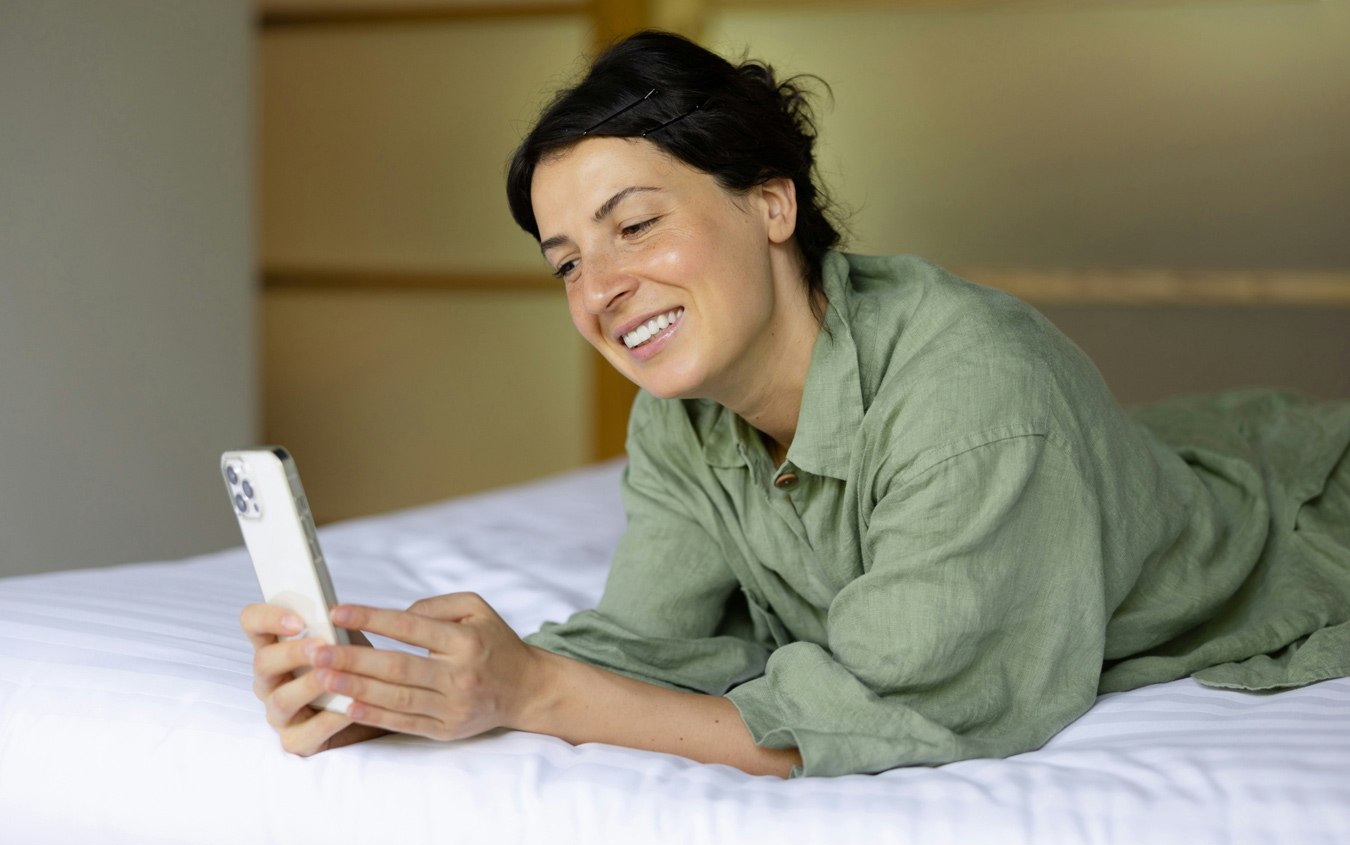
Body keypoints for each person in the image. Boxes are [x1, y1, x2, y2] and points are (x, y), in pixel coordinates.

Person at [240, 31, 1350, 779]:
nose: (603, 291)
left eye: (636, 226)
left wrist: (537, 698)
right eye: (568, 261)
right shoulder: (680, 412)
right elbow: (650, 643)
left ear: (771, 204)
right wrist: (411, 688)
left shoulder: (973, 387)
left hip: (1295, 517)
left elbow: (903, 705)